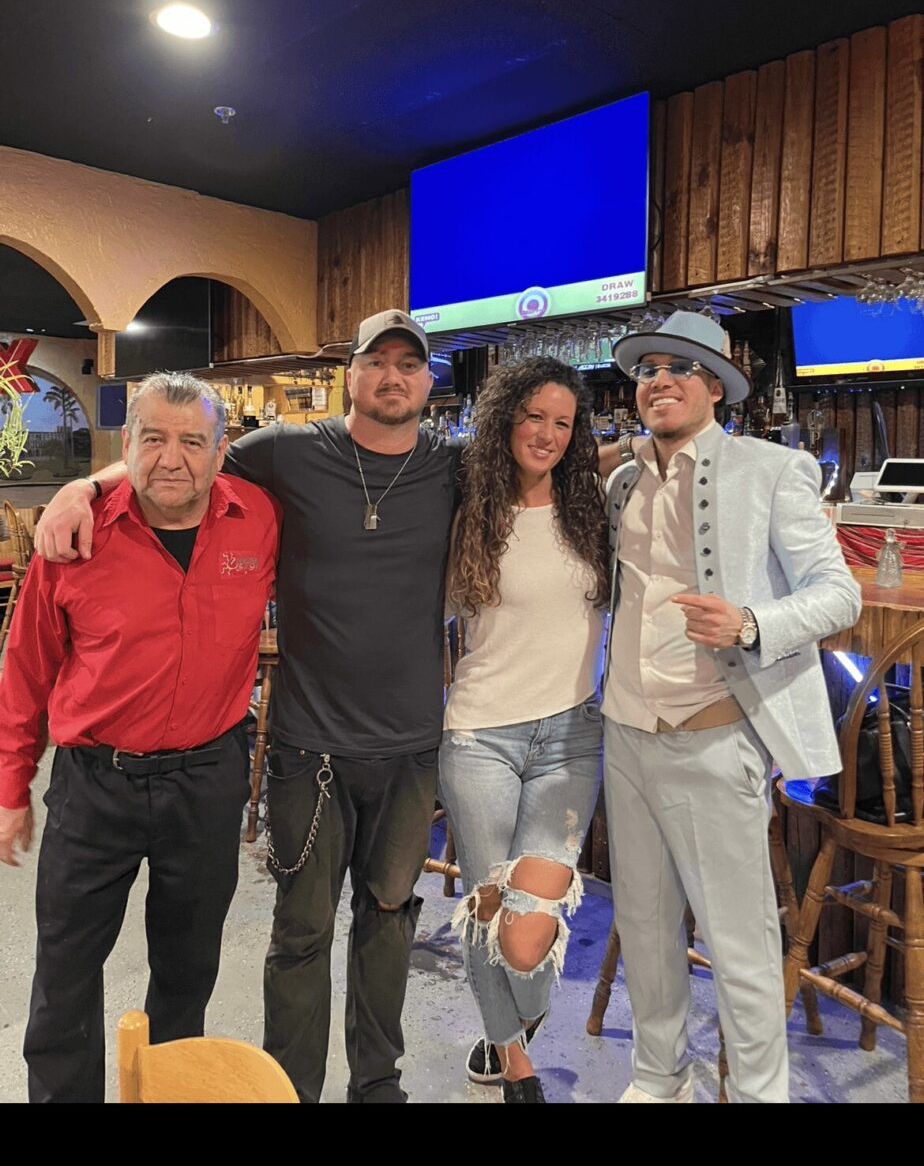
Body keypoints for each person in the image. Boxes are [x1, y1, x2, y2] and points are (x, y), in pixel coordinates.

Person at [34, 311, 464, 1104]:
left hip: (376, 752)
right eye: (378, 361)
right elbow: (169, 458)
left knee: (370, 928)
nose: (394, 377)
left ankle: (371, 1086)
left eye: (411, 364)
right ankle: (290, 1093)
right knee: (286, 940)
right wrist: (80, 485)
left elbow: (550, 462)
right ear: (351, 374)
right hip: (287, 751)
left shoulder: (452, 466)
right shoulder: (291, 453)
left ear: (430, 382)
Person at [601, 310, 862, 1104]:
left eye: (679, 368)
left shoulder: (773, 469)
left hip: (714, 739)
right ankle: (658, 1078)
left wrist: (753, 624)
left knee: (741, 947)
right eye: (648, 369)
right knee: (644, 930)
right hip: (624, 733)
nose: (660, 380)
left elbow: (839, 595)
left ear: (715, 386)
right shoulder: (619, 480)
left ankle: (756, 1095)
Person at [0, 373, 280, 1103]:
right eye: (152, 439)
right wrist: (10, 789)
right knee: (65, 975)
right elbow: (25, 673)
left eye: (192, 441)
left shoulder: (258, 518)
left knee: (188, 974)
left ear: (222, 452)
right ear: (125, 448)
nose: (172, 458)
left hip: (209, 776)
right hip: (96, 783)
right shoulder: (74, 539)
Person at [441, 357, 608, 1103]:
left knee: (526, 932)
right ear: (506, 417)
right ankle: (517, 1065)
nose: (546, 433)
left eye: (562, 422)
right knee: (485, 908)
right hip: (479, 738)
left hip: (571, 739)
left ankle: (519, 1014)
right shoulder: (464, 507)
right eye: (533, 416)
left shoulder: (594, 508)